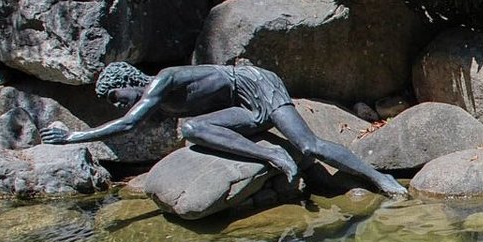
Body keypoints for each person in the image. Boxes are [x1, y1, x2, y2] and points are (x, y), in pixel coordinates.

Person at [40, 62, 408, 198]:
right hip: (239, 108)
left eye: (116, 94)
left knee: (309, 145)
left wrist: (73, 137)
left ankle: (379, 179)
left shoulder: (161, 82)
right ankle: (272, 155)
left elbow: (130, 123)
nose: (117, 102)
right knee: (194, 129)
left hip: (256, 85)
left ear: (129, 80)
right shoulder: (161, 99)